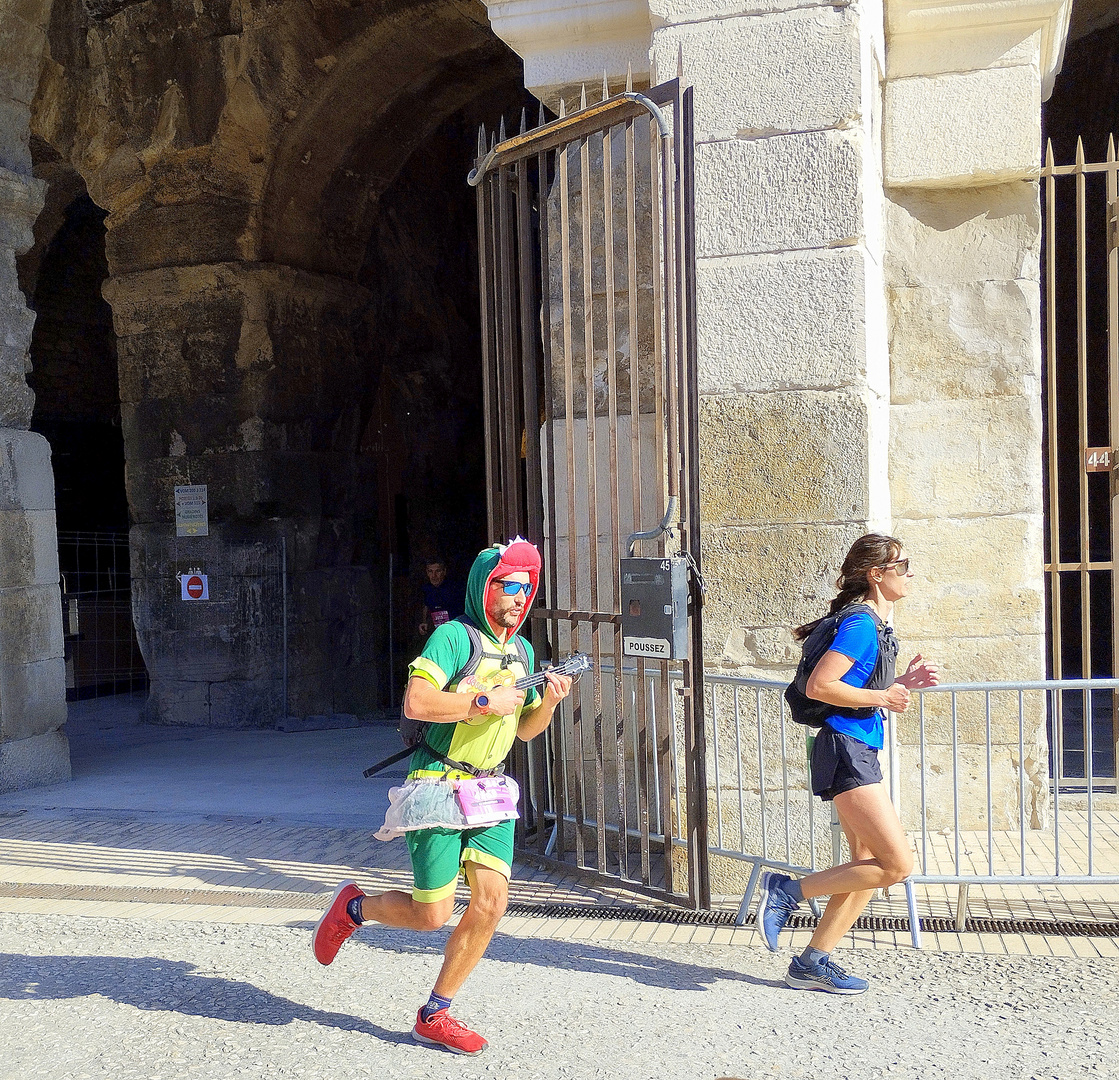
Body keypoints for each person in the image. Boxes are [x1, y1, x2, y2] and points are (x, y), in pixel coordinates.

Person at [312, 537, 572, 1054]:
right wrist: (483, 699)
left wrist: (551, 703)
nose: (519, 598)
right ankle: (354, 909)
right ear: (484, 587)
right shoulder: (454, 638)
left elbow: (524, 731)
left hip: (491, 788)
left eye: (526, 588)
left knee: (492, 903)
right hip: (438, 783)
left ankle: (436, 1013)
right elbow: (418, 699)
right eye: (508, 586)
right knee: (433, 914)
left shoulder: (523, 652)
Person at [757, 533, 939, 994]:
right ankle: (787, 892)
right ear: (877, 575)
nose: (910, 573)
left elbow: (852, 683)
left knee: (865, 863)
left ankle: (813, 961)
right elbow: (821, 686)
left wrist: (898, 683)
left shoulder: (872, 624)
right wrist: (884, 695)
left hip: (853, 746)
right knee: (896, 865)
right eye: (904, 565)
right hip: (846, 749)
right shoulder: (861, 623)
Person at [419, 558, 465, 636]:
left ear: (444, 571)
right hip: (434, 631)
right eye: (430, 571)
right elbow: (426, 606)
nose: (434, 576)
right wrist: (424, 622)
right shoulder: (426, 589)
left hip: (453, 630)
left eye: (438, 571)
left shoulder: (455, 589)